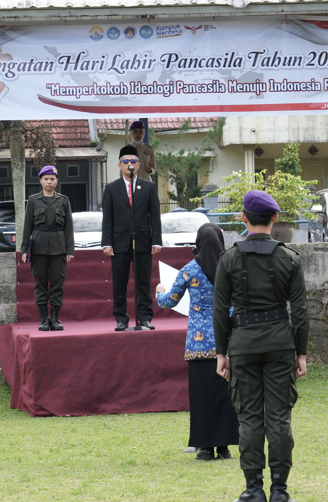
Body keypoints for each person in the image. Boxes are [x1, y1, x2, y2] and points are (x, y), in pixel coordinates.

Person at [212, 190, 309, 502]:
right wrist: (301, 353)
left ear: (243, 218)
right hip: (281, 344)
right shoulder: (289, 258)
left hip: (242, 345)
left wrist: (221, 353)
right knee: (280, 418)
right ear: (275, 219)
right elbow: (301, 311)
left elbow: (220, 310)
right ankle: (279, 490)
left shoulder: (228, 259)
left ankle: (254, 489)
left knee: (250, 418)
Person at [156, 223, 239, 461]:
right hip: (227, 340)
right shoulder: (230, 267)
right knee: (226, 394)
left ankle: (205, 448)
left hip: (198, 344)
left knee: (202, 396)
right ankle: (224, 447)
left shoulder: (189, 270)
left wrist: (159, 292)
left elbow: (170, 301)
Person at [101, 145, 162, 331]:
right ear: (119, 165)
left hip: (143, 240)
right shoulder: (111, 188)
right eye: (126, 162)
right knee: (119, 282)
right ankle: (121, 318)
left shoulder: (149, 187)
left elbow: (155, 216)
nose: (130, 164)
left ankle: (145, 317)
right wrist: (107, 242)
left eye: (133, 161)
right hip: (119, 242)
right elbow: (107, 218)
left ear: (139, 165)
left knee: (144, 280)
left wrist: (156, 240)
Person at [20, 165, 75, 331]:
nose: (49, 182)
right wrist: (24, 250)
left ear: (57, 181)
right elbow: (27, 226)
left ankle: (56, 318)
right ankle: (44, 319)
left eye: (52, 179)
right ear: (40, 181)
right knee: (41, 283)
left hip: (59, 247)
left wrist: (70, 250)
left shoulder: (64, 200)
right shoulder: (33, 201)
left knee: (58, 284)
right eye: (46, 179)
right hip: (39, 247)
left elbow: (69, 227)